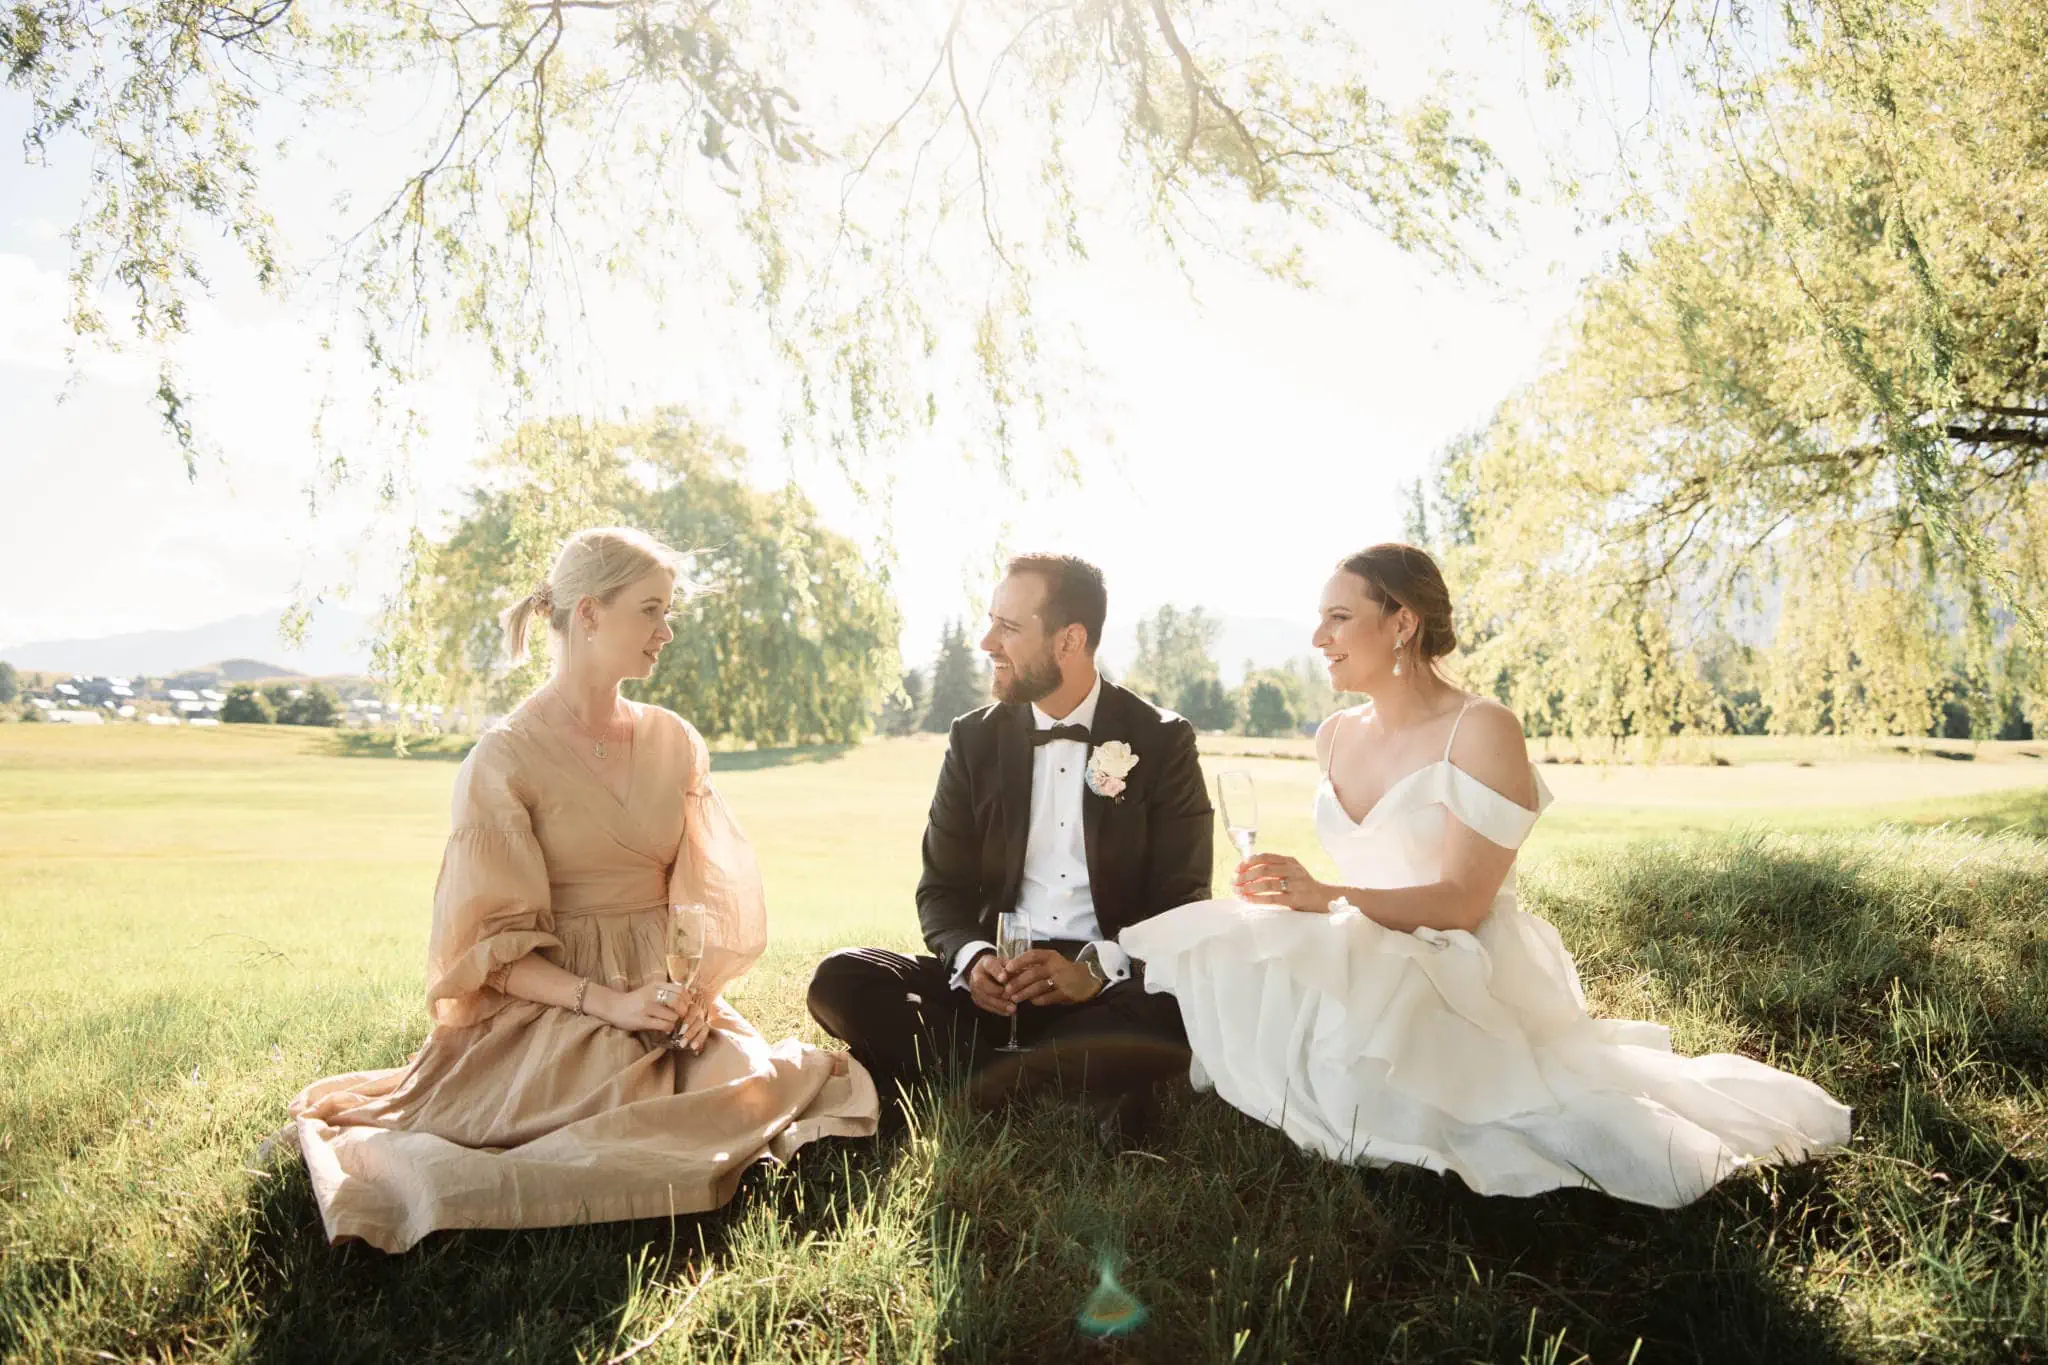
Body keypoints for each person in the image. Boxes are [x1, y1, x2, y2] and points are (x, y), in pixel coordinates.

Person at [1120, 544, 1851, 1206]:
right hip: (1356, 934)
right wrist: (1302, 897)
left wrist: (1326, 893)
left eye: (1339, 618)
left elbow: (1464, 902)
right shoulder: (1334, 734)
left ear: (1402, 621)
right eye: (1319, 620)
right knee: (1221, 931)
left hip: (1453, 958)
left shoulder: (1482, 728)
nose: (1319, 638)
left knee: (1448, 1063)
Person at [282, 527, 876, 1253]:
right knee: (607, 1119)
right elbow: (491, 948)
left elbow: (698, 902)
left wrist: (694, 994)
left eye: (669, 610)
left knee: (753, 1079)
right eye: (651, 609)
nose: (668, 629)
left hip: (663, 998)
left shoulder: (675, 741)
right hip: (554, 1003)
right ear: (589, 614)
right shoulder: (503, 758)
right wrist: (611, 1003)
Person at [806, 554, 1212, 1145]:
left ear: (1070, 639)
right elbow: (940, 890)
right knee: (841, 978)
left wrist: (1093, 970)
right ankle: (1070, 1079)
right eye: (991, 621)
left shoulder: (1162, 739)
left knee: (1176, 1013)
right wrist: (973, 963)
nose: (986, 641)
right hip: (998, 983)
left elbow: (1185, 900)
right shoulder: (974, 737)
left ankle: (973, 1072)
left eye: (1009, 628)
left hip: (1108, 985)